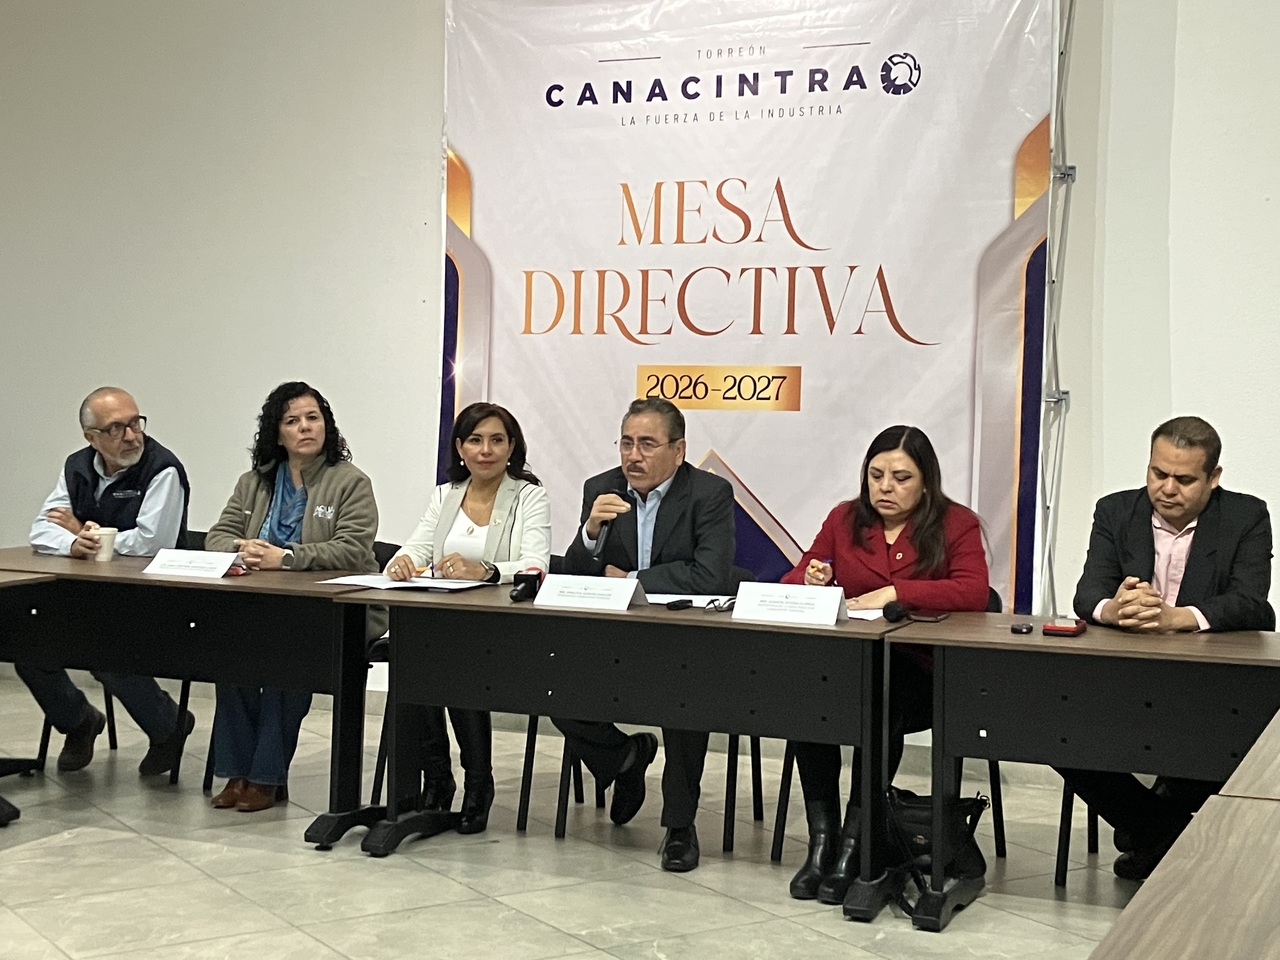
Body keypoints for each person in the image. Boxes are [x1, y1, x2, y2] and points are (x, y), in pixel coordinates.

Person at [780, 424, 990, 903]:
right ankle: (822, 843)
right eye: (876, 476)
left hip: (921, 674)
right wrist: (811, 578)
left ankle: (856, 845)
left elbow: (974, 591)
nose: (885, 488)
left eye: (900, 477)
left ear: (926, 482)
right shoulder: (844, 519)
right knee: (806, 692)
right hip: (850, 665)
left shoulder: (956, 523)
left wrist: (897, 592)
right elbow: (796, 575)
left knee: (882, 691)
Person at [1059, 415, 1273, 880]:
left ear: (1213, 478)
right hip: (1126, 676)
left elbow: (1251, 602)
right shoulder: (1116, 511)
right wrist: (1114, 609)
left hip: (1209, 684)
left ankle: (1151, 832)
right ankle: (1167, 833)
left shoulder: (1246, 516)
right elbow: (1088, 592)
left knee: (1230, 733)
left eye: (1184, 479)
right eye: (1158, 473)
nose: (1167, 488)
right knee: (1059, 729)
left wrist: (1177, 617)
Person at [553, 397, 735, 872]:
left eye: (648, 445)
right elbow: (576, 575)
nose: (633, 456)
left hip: (683, 640)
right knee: (555, 683)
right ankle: (626, 758)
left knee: (685, 696)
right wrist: (591, 531)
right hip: (615, 638)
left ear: (678, 450)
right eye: (626, 443)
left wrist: (632, 580)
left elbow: (711, 576)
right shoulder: (602, 488)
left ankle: (679, 826)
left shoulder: (708, 494)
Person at [205, 382, 383, 812]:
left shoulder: (351, 482)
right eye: (292, 420)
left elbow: (352, 549)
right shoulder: (254, 482)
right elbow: (217, 537)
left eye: (312, 418)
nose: (305, 427)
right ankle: (236, 773)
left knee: (287, 661)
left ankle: (266, 777)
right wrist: (241, 548)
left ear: (326, 425)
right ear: (277, 433)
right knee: (229, 657)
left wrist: (286, 558)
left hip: (332, 609)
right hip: (262, 606)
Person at [384, 401, 551, 833]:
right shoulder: (446, 495)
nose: (485, 450)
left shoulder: (529, 496)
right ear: (460, 448)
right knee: (413, 655)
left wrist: (487, 570)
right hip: (446, 621)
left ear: (512, 447)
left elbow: (536, 564)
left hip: (503, 625)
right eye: (475, 440)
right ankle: (437, 779)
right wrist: (402, 561)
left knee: (454, 661)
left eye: (496, 440)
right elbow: (418, 547)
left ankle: (478, 785)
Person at [23, 386, 195, 775]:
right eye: (117, 428)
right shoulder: (76, 466)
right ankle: (79, 721)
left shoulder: (162, 469)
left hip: (151, 596)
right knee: (28, 648)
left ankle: (169, 726)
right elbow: (42, 530)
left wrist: (85, 532)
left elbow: (152, 544)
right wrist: (73, 544)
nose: (132, 436)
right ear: (92, 437)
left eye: (136, 423)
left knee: (108, 655)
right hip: (89, 595)